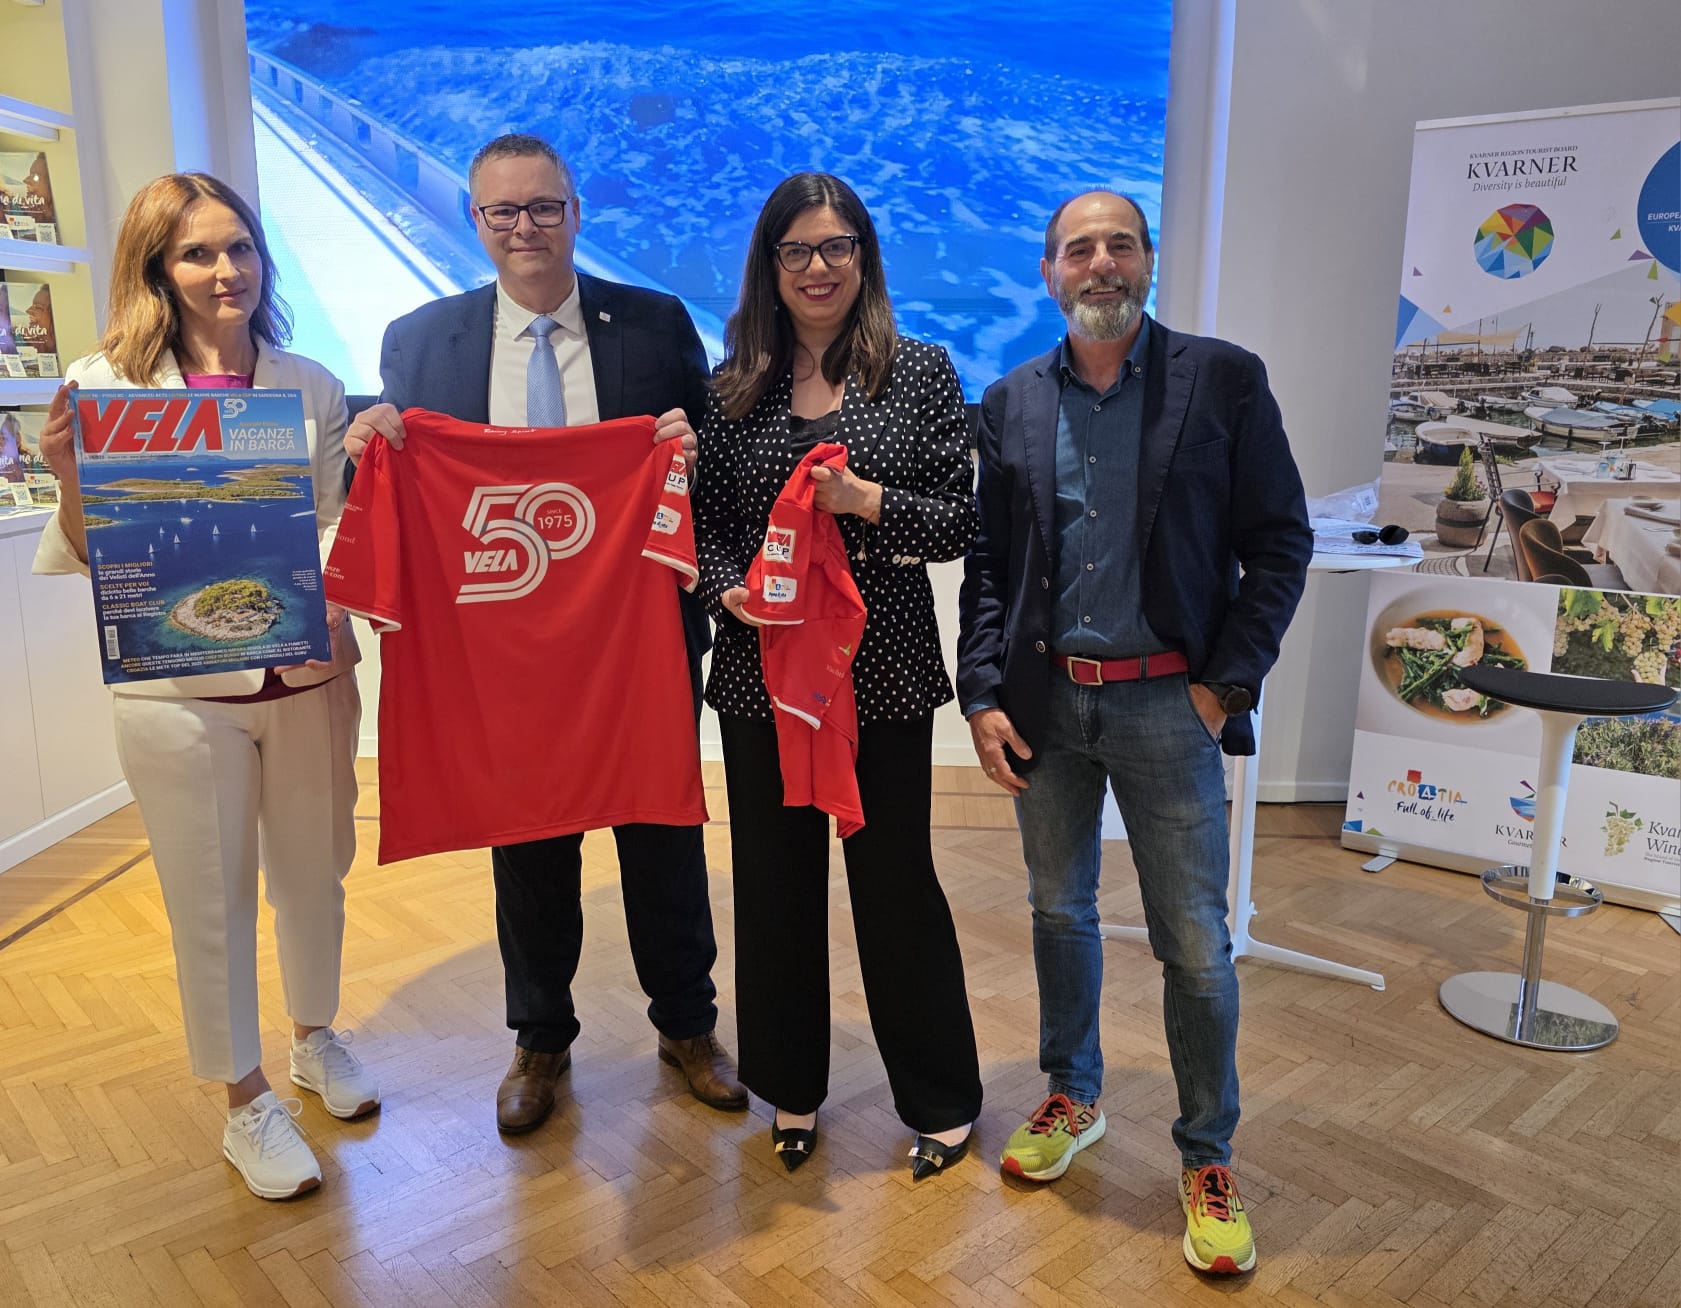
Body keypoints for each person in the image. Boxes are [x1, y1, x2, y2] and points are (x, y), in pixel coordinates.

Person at [343, 133, 744, 1132]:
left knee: (661, 827)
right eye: (503, 211)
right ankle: (540, 1037)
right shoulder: (421, 340)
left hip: (633, 632)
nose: (525, 227)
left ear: (574, 212)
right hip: (501, 646)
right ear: (474, 220)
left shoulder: (652, 324)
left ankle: (688, 1024)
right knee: (526, 841)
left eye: (544, 207)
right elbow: (394, 489)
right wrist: (366, 450)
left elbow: (715, 462)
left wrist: (692, 447)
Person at [957, 190, 1311, 1273]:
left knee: (1194, 943)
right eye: (1078, 249)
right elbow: (991, 568)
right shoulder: (1010, 401)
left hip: (1171, 703)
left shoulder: (1224, 379)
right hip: (1046, 705)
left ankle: (1206, 1155)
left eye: (1119, 244)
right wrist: (981, 693)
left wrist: (1222, 690)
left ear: (1147, 261)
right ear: (1048, 273)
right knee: (1057, 911)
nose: (1099, 263)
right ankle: (1073, 1095)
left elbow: (1279, 543)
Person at [32, 172, 374, 1200]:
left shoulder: (309, 382)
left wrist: (336, 574)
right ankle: (244, 1099)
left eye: (240, 248)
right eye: (197, 253)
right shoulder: (104, 383)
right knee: (209, 900)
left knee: (315, 872)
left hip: (305, 675)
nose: (227, 270)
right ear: (157, 269)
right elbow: (94, 554)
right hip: (177, 698)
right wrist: (70, 478)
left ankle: (314, 1036)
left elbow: (330, 521)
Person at [694, 172, 982, 1178]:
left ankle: (941, 1099)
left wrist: (866, 502)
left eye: (836, 246)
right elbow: (705, 525)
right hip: (761, 677)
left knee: (895, 884)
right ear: (768, 266)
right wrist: (728, 591)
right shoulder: (732, 385)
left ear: (864, 255)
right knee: (772, 885)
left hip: (881, 671)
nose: (817, 268)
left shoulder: (921, 371)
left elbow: (958, 521)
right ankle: (791, 1089)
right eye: (796, 250)